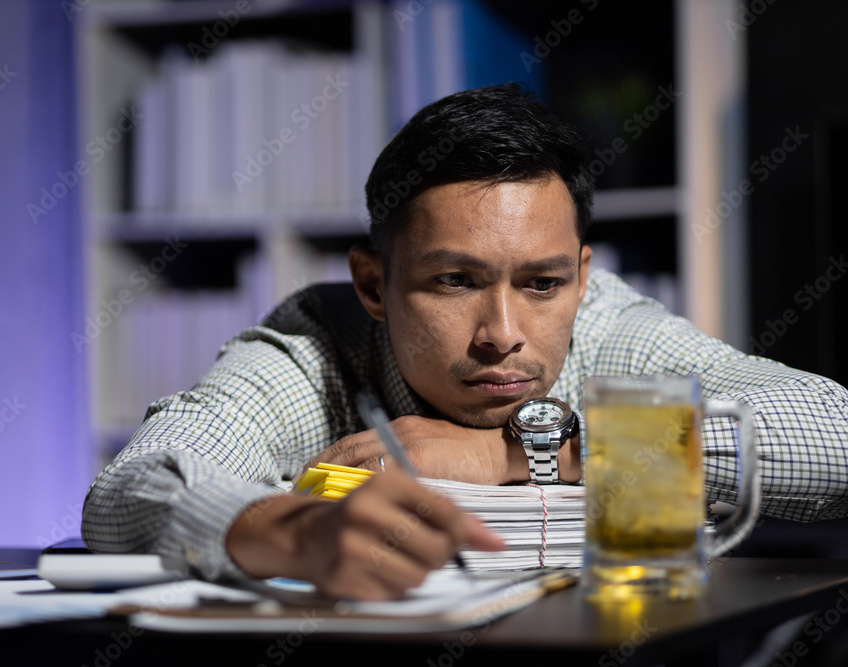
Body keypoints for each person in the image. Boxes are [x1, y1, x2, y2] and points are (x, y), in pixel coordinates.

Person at [82, 83, 848, 600]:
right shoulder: (312, 345)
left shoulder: (606, 327)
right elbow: (128, 492)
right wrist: (289, 533)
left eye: (543, 284)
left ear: (581, 276)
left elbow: (836, 434)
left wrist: (517, 450)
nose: (505, 336)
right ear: (375, 284)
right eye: (454, 281)